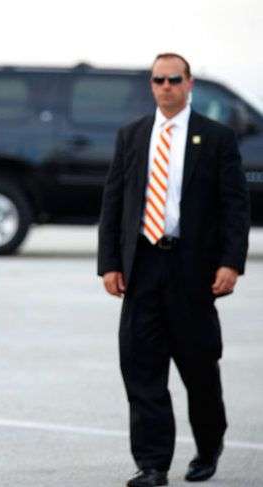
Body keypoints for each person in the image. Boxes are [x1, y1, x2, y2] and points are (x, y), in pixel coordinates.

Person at [97, 53, 250, 487]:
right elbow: (114, 202)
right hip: (143, 266)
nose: (166, 87)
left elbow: (235, 206)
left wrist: (230, 262)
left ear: (189, 83)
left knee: (200, 368)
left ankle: (208, 444)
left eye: (174, 80)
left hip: (192, 269)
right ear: (151, 85)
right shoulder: (132, 135)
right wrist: (109, 262)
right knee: (142, 369)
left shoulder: (215, 137)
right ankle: (152, 464)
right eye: (158, 80)